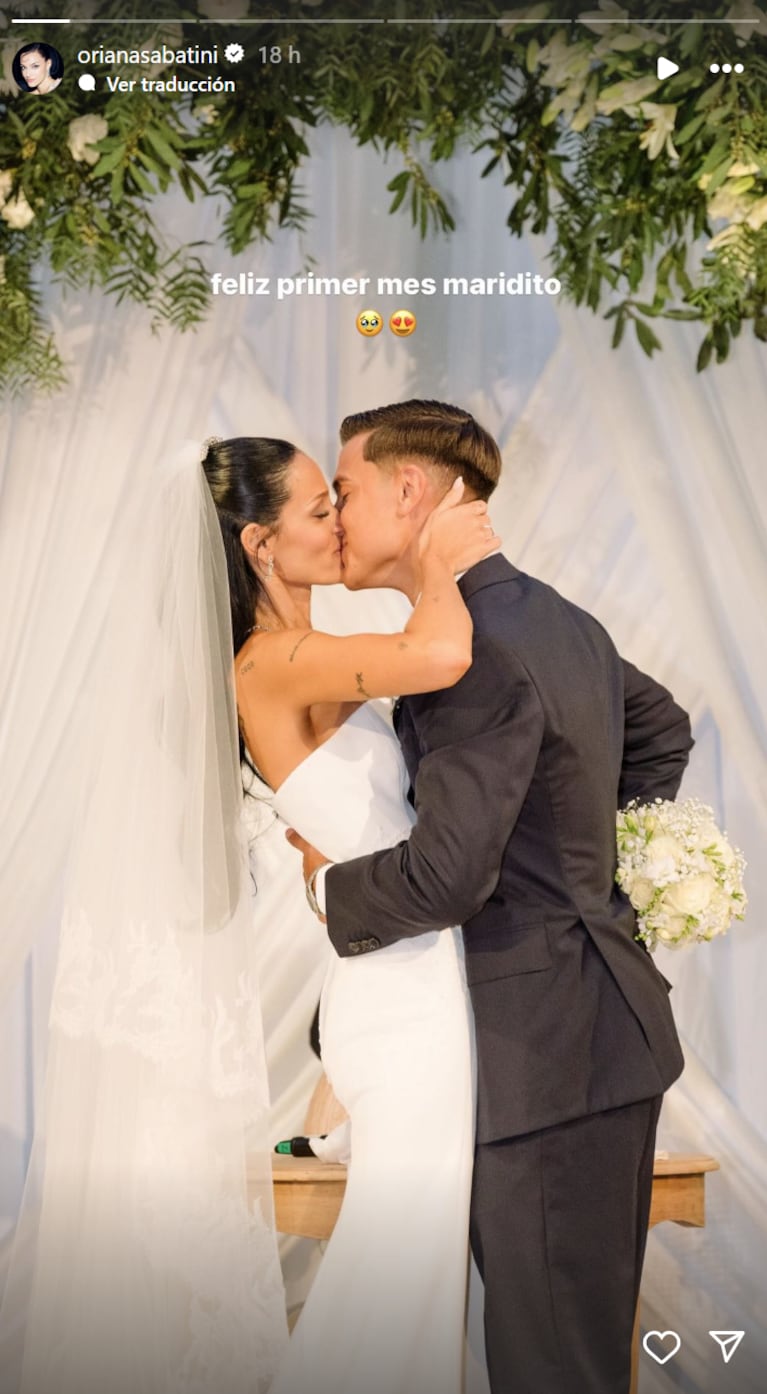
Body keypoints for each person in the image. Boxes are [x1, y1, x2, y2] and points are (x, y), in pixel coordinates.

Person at [286, 398, 694, 1394]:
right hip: (576, 1039)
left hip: (547, 1053)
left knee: (552, 1366)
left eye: (344, 491)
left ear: (410, 490)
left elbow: (445, 875)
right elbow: (661, 728)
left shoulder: (476, 651)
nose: (335, 515)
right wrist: (579, 875)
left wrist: (319, 887)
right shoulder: (548, 615)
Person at [200, 434, 501, 1394]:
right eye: (319, 510)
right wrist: (445, 542)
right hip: (404, 1000)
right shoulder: (273, 661)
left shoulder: (302, 656)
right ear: (260, 544)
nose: (339, 523)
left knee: (406, 1277)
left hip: (402, 981)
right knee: (398, 1283)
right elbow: (444, 651)